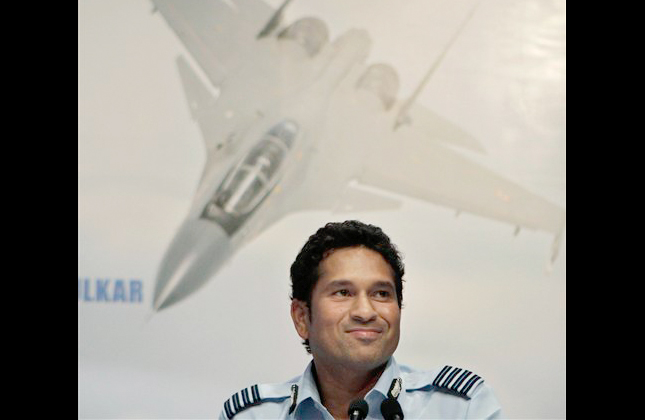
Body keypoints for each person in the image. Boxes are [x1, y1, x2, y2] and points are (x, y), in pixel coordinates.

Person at [219, 220, 502, 419]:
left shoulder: (459, 408)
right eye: (343, 292)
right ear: (302, 317)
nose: (365, 312)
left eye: (381, 293)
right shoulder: (253, 415)